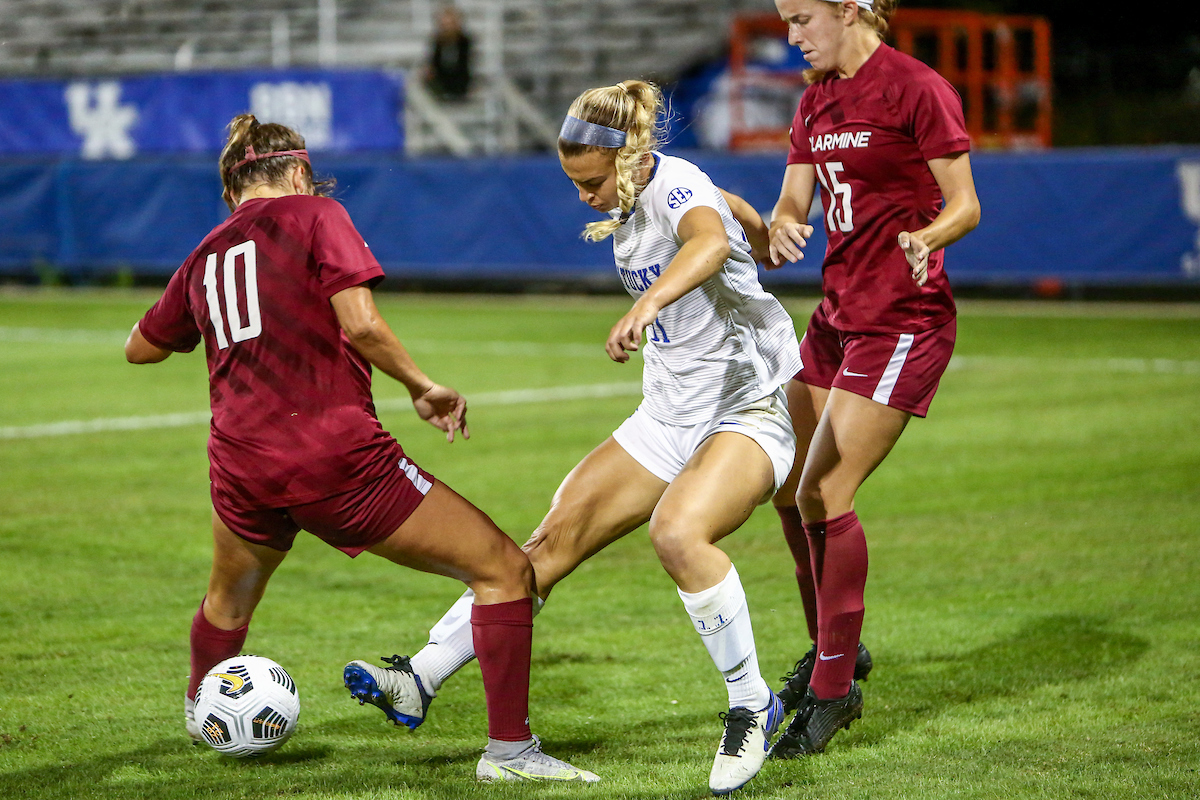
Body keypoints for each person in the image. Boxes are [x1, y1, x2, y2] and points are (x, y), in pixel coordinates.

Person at [342, 79, 802, 796]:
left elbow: (708, 239)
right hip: (666, 419)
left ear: (627, 160)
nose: (584, 197)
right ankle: (420, 678)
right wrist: (765, 233)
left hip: (746, 412)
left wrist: (649, 301)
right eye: (574, 184)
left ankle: (753, 705)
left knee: (679, 534)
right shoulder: (656, 192)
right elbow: (727, 209)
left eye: (590, 182)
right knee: (536, 554)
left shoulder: (674, 185)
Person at [124, 114, 598, 784]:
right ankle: (511, 754)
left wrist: (196, 314)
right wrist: (422, 385)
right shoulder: (317, 214)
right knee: (503, 572)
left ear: (232, 191)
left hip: (241, 468)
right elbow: (361, 322)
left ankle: (203, 712)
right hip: (333, 459)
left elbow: (140, 348)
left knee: (227, 605)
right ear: (297, 172)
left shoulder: (204, 255)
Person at [763, 0, 981, 758]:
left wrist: (927, 235)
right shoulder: (814, 99)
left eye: (800, 19)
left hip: (902, 319)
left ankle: (832, 693)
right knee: (787, 487)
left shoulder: (916, 87)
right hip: (835, 315)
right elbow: (794, 200)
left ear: (850, 10)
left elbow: (966, 205)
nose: (791, 38)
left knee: (827, 492)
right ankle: (835, 646)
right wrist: (784, 222)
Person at [425, 5, 472, 100]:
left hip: (459, 83)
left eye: (450, 23)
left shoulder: (464, 41)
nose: (448, 27)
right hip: (440, 81)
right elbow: (434, 63)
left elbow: (463, 65)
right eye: (445, 24)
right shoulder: (437, 42)